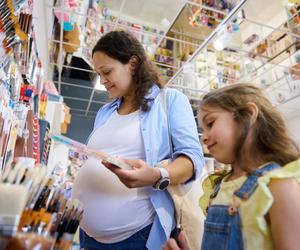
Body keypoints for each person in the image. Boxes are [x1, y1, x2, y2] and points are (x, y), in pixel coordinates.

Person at [72, 30, 204, 250]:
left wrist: (157, 175)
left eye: (107, 72)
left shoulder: (170, 101)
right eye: (98, 74)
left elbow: (192, 159)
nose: (102, 81)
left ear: (132, 63)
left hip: (135, 237)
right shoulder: (104, 112)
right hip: (87, 235)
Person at [164, 83, 300, 250]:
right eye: (202, 130)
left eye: (211, 123)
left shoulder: (279, 186)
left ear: (249, 115)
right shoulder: (219, 187)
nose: (204, 138)